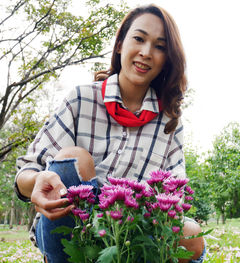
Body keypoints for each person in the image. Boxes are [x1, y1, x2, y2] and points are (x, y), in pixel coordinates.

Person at [14, 4, 205, 263]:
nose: (146, 52)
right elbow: (27, 170)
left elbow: (176, 194)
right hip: (72, 229)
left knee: (191, 234)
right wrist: (36, 181)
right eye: (138, 39)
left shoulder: (169, 121)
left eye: (160, 46)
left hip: (131, 237)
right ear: (119, 45)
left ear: (167, 58)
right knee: (74, 156)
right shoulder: (81, 98)